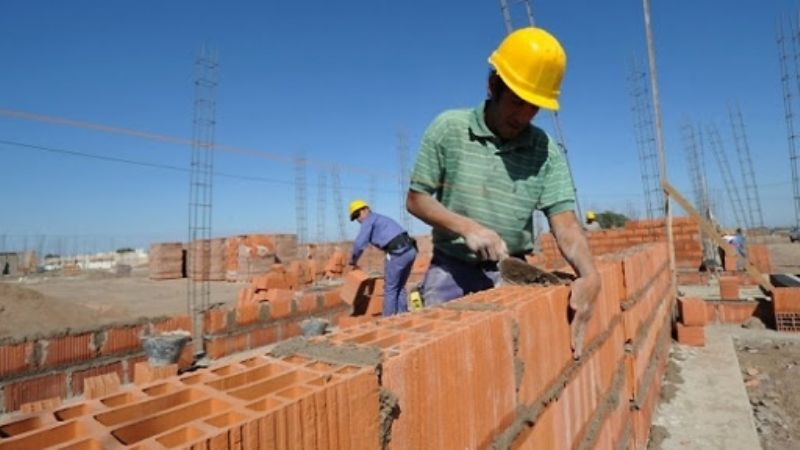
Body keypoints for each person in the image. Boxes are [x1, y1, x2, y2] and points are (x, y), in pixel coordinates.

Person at [406, 27, 600, 359]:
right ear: (493, 85)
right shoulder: (449, 129)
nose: (524, 116)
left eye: (534, 107)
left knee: (514, 366)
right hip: (451, 268)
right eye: (517, 101)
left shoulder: (545, 150)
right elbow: (416, 200)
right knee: (442, 360)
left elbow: (565, 223)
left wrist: (590, 274)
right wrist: (467, 228)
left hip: (513, 271)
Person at [348, 199, 417, 316]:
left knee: (390, 289)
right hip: (410, 250)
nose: (358, 219)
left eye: (357, 214)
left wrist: (352, 261)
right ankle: (403, 316)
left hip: (398, 253)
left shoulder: (368, 221)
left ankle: (388, 321)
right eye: (355, 217)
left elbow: (359, 244)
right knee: (399, 286)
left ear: (366, 210)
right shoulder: (380, 218)